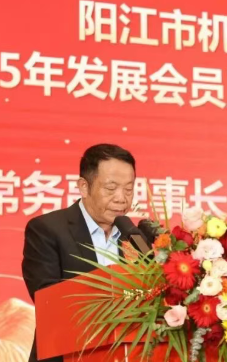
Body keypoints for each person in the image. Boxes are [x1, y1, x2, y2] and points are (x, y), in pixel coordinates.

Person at [21, 143, 136, 362]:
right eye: (111, 188)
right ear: (84, 187)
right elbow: (47, 298)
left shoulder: (134, 237)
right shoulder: (47, 229)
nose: (121, 198)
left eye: (128, 189)